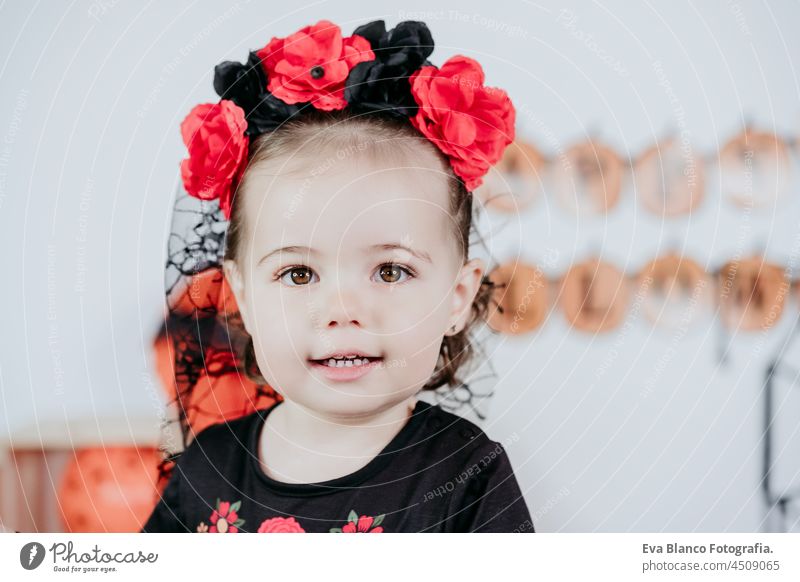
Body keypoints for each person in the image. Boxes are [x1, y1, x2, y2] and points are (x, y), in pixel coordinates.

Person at [141, 18, 533, 533]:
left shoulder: (464, 474)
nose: (342, 310)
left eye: (391, 270)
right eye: (299, 274)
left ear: (457, 296)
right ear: (242, 297)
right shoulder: (208, 464)